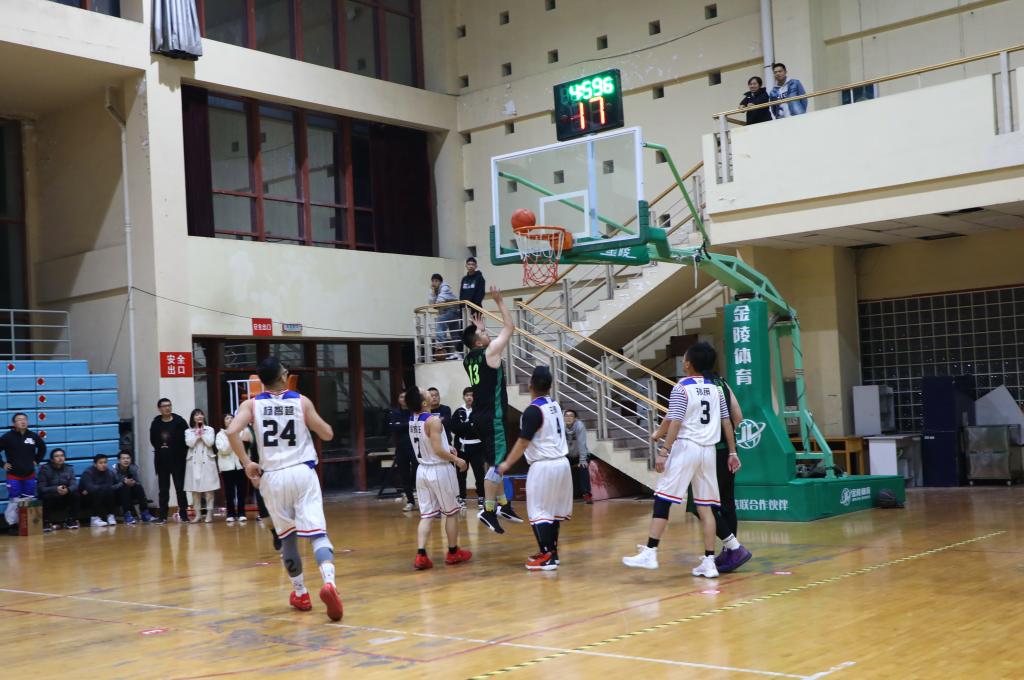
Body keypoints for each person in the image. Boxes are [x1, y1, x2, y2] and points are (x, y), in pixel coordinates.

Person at [226, 356, 343, 621]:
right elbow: (327, 434)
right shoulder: (301, 401)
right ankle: (329, 583)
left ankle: (300, 593)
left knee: (287, 537)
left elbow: (232, 432)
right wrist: (320, 425)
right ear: (282, 377)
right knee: (317, 534)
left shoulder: (251, 405)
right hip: (302, 472)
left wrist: (247, 463)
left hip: (273, 478)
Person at [622, 342, 739, 578]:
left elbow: (675, 421)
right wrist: (732, 452)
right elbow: (727, 421)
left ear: (688, 364)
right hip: (709, 451)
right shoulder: (716, 388)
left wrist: (664, 451)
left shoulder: (682, 387)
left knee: (663, 497)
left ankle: (651, 552)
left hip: (687, 447)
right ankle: (709, 561)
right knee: (706, 507)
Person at [462, 286, 523, 534]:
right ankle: (488, 510)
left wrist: (480, 330)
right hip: (493, 417)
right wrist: (499, 301)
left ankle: (503, 505)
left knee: (491, 463)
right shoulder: (490, 353)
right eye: (483, 333)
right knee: (498, 465)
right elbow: (510, 327)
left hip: (479, 416)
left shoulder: (468, 359)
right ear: (479, 342)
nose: (487, 334)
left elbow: (479, 345)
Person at [498, 366, 572, 571]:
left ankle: (548, 556)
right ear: (550, 385)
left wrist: (507, 463)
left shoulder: (532, 411)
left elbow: (523, 442)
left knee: (539, 512)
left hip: (544, 465)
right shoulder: (555, 404)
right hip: (562, 463)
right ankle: (551, 553)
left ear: (530, 385)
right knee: (551, 512)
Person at [406, 386, 472, 570]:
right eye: (425, 392)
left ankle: (421, 555)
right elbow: (436, 450)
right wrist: (457, 459)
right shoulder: (433, 420)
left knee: (426, 515)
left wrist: (446, 446)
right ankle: (453, 552)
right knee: (451, 512)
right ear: (424, 402)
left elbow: (427, 442)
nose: (428, 391)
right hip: (439, 470)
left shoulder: (412, 418)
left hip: (422, 470)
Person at [0, 413, 46, 531]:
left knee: (28, 499)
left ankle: (26, 524)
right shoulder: (7, 437)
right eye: (19, 420)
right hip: (13, 475)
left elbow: (42, 448)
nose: (23, 421)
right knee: (15, 500)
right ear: (14, 423)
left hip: (29, 475)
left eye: (25, 419)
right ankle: (12, 525)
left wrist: (37, 460)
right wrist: (2, 464)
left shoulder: (33, 436)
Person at [149, 398, 189, 524]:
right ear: (159, 409)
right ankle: (163, 516)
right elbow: (153, 440)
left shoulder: (179, 421)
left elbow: (186, 438)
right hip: (162, 461)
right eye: (164, 406)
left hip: (178, 461)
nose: (167, 408)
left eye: (169, 405)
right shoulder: (156, 423)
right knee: (163, 490)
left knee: (180, 488)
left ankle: (184, 515)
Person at [451, 387, 485, 507]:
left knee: (479, 474)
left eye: (471, 395)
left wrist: (466, 427)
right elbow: (454, 428)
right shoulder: (458, 411)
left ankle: (481, 496)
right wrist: (470, 425)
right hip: (462, 448)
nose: (469, 397)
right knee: (461, 474)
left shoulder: (480, 411)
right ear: (463, 397)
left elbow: (480, 429)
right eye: (467, 395)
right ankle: (461, 497)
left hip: (477, 447)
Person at [185, 409, 219, 523]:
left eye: (201, 414)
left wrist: (201, 433)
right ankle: (198, 515)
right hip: (194, 461)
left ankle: (209, 513)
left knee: (209, 490)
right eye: (196, 415)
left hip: (207, 460)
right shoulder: (188, 431)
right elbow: (190, 443)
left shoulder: (209, 429)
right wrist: (196, 434)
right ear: (193, 418)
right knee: (195, 491)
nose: (199, 416)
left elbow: (210, 443)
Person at [216, 414, 249, 523]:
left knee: (241, 491)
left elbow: (245, 447)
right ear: (223, 422)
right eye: (227, 418)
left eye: (231, 418)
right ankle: (230, 514)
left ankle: (241, 513)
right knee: (229, 492)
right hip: (227, 467)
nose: (230, 420)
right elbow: (223, 450)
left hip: (240, 465)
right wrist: (233, 439)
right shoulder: (220, 435)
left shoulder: (241, 432)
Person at [387, 392, 417, 512]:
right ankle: (410, 501)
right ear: (398, 399)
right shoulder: (394, 412)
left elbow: (415, 425)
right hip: (401, 448)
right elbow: (393, 427)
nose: (403, 399)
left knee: (417, 473)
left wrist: (402, 425)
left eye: (405, 396)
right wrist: (407, 424)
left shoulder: (414, 411)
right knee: (404, 474)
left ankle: (422, 500)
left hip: (415, 448)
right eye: (401, 397)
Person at [37, 448, 80, 530]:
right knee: (44, 496)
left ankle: (71, 520)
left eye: (62, 456)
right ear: (52, 459)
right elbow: (41, 488)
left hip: (64, 495)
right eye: (57, 456)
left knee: (76, 495)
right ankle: (46, 522)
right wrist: (56, 489)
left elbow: (74, 484)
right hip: (51, 496)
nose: (60, 458)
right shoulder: (44, 469)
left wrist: (68, 490)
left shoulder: (69, 468)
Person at [79, 453, 121, 527]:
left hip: (103, 495)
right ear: (95, 464)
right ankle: (94, 518)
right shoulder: (88, 473)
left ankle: (110, 515)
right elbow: (90, 488)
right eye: (101, 463)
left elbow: (112, 485)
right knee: (99, 491)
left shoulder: (109, 472)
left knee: (110, 491)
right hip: (86, 497)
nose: (103, 465)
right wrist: (103, 487)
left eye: (105, 462)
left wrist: (102, 487)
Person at [113, 450, 154, 523]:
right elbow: (111, 488)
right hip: (117, 495)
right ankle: (127, 515)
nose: (126, 460)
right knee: (125, 487)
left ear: (131, 459)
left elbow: (138, 482)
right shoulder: (114, 471)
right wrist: (123, 483)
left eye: (128, 458)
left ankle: (144, 513)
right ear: (119, 460)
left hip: (130, 493)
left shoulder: (133, 469)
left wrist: (134, 483)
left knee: (138, 486)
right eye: (123, 458)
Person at [564, 409, 593, 504]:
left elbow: (582, 444)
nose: (568, 418)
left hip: (581, 455)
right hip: (567, 455)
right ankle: (563, 495)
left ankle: (586, 494)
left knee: (583, 467)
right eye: (566, 416)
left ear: (575, 418)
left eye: (571, 416)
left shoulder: (579, 426)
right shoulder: (561, 426)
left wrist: (582, 460)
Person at [429, 273, 461, 358]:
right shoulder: (434, 290)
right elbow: (431, 303)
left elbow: (439, 301)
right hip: (447, 311)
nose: (434, 283)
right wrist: (433, 292)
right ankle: (459, 353)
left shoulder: (444, 287)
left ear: (440, 282)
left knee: (440, 320)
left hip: (453, 310)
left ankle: (440, 344)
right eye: (433, 281)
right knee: (454, 333)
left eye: (436, 281)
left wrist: (436, 304)